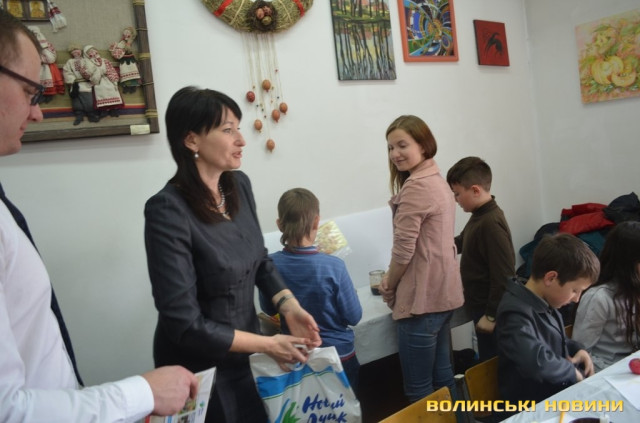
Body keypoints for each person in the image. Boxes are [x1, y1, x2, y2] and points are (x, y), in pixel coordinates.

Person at [0, 9, 199, 422]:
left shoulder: (239, 189)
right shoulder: (166, 206)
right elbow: (8, 409)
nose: (37, 113)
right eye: (31, 93)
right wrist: (141, 393)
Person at [144, 86, 322, 423]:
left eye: (238, 128)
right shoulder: (167, 210)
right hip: (197, 368)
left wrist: (290, 306)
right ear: (191, 140)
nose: (241, 140)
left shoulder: (238, 186)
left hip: (246, 350)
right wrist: (269, 344)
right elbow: (185, 324)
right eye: (228, 130)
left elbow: (261, 261)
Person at [378, 115, 464, 404]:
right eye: (391, 147)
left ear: (424, 145)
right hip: (443, 293)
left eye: (402, 145)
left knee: (419, 389)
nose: (395, 154)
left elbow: (404, 251)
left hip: (423, 300)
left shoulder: (417, 187)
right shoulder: (437, 181)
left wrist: (389, 283)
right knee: (443, 378)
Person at [259, 187, 363, 391]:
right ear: (316, 222)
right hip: (338, 355)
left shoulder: (269, 265)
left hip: (297, 355)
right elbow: (354, 316)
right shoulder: (334, 266)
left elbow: (269, 309)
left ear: (279, 224)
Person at [495, 233, 599, 413]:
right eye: (575, 290)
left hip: (554, 397)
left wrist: (577, 349)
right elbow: (535, 361)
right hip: (531, 408)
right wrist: (571, 372)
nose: (577, 299)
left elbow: (553, 339)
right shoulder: (514, 312)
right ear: (551, 278)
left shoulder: (544, 300)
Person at [446, 156, 515, 362]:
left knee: (492, 363)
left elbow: (504, 274)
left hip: (490, 310)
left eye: (457, 194)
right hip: (480, 306)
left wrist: (491, 315)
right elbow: (462, 241)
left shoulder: (490, 223)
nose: (455, 199)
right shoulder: (479, 215)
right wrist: (436, 246)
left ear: (475, 190)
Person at [572, 221, 640, 372]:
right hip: (608, 371)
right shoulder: (599, 297)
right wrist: (620, 373)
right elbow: (583, 354)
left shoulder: (635, 288)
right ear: (627, 263)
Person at [62, 43, 101, 125]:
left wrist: (89, 76)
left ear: (81, 51)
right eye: (73, 51)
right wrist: (72, 80)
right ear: (71, 53)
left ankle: (91, 115)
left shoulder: (86, 60)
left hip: (86, 83)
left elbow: (93, 69)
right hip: (75, 84)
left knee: (89, 101)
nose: (76, 52)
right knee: (76, 101)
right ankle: (79, 115)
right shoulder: (70, 62)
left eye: (77, 50)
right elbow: (66, 71)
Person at [83, 45, 124, 117]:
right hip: (97, 81)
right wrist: (94, 75)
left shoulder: (104, 60)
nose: (93, 52)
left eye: (94, 50)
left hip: (107, 78)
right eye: (90, 51)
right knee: (100, 91)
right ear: (87, 54)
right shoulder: (87, 63)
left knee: (112, 90)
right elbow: (86, 74)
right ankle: (103, 110)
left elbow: (111, 69)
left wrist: (114, 80)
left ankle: (113, 109)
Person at [108, 26, 142, 94]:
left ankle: (133, 87)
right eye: (125, 31)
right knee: (124, 72)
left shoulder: (128, 42)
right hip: (123, 60)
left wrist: (119, 46)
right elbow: (119, 48)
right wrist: (115, 46)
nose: (126, 33)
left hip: (129, 60)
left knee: (131, 72)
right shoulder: (122, 41)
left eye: (128, 32)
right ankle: (126, 87)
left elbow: (127, 48)